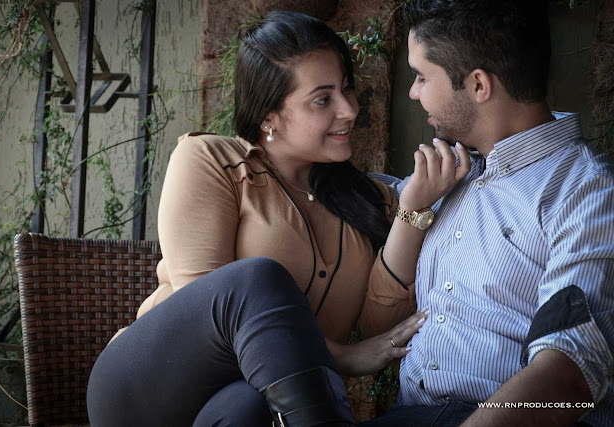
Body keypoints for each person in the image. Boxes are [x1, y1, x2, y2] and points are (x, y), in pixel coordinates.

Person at [86, 10, 470, 427]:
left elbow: (375, 328)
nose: (349, 109)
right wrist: (343, 356)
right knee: (257, 280)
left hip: (240, 402)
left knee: (250, 406)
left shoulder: (366, 200)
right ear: (269, 117)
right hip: (150, 386)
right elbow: (214, 305)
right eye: (322, 99)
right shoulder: (212, 161)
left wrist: (412, 213)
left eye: (346, 88)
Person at [362, 0, 614, 425]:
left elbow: (569, 375)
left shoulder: (585, 191)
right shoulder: (447, 177)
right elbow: (358, 194)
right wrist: (411, 210)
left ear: (479, 84)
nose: (413, 92)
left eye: (422, 77)